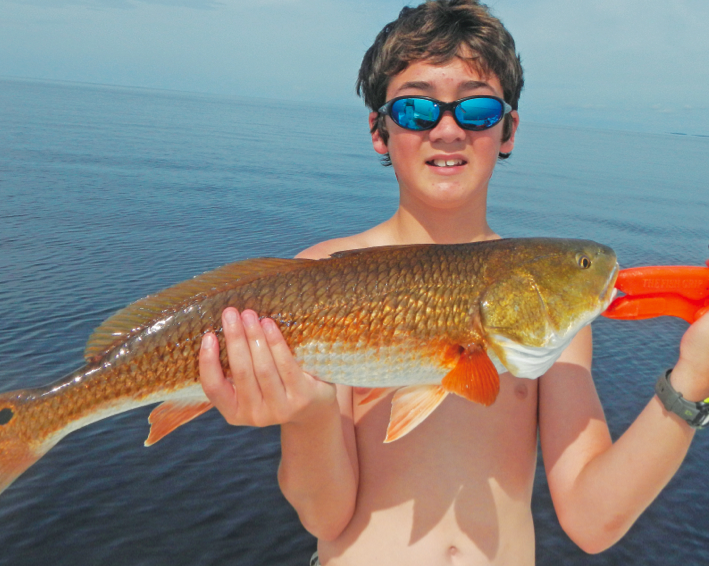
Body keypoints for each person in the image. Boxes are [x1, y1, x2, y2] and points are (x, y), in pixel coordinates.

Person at [197, 1, 709, 564]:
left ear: (508, 130)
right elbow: (325, 515)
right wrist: (308, 415)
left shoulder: (548, 315)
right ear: (379, 129)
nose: (447, 129)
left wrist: (691, 382)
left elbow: (593, 520)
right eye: (416, 109)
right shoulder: (321, 275)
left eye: (478, 110)